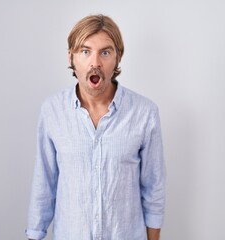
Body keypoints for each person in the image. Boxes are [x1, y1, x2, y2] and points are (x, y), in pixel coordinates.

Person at [25, 14, 166, 240]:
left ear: (118, 58)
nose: (95, 62)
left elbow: (153, 187)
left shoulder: (144, 113)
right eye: (85, 51)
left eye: (106, 52)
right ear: (71, 57)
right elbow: (44, 184)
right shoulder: (52, 110)